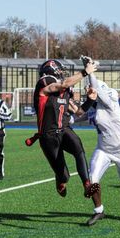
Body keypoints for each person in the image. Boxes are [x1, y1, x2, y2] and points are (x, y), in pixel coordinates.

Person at [70, 57, 120, 226]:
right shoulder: (95, 107)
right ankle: (99, 210)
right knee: (92, 179)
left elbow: (97, 88)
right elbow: (80, 116)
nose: (90, 91)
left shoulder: (111, 105)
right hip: (103, 149)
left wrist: (89, 71)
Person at [29, 59, 97, 197]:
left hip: (64, 129)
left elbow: (79, 112)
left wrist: (90, 100)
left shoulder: (65, 92)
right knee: (64, 176)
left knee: (78, 148)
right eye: (59, 70)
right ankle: (60, 180)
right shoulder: (44, 82)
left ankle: (87, 185)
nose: (62, 73)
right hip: (48, 135)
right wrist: (85, 72)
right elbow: (63, 83)